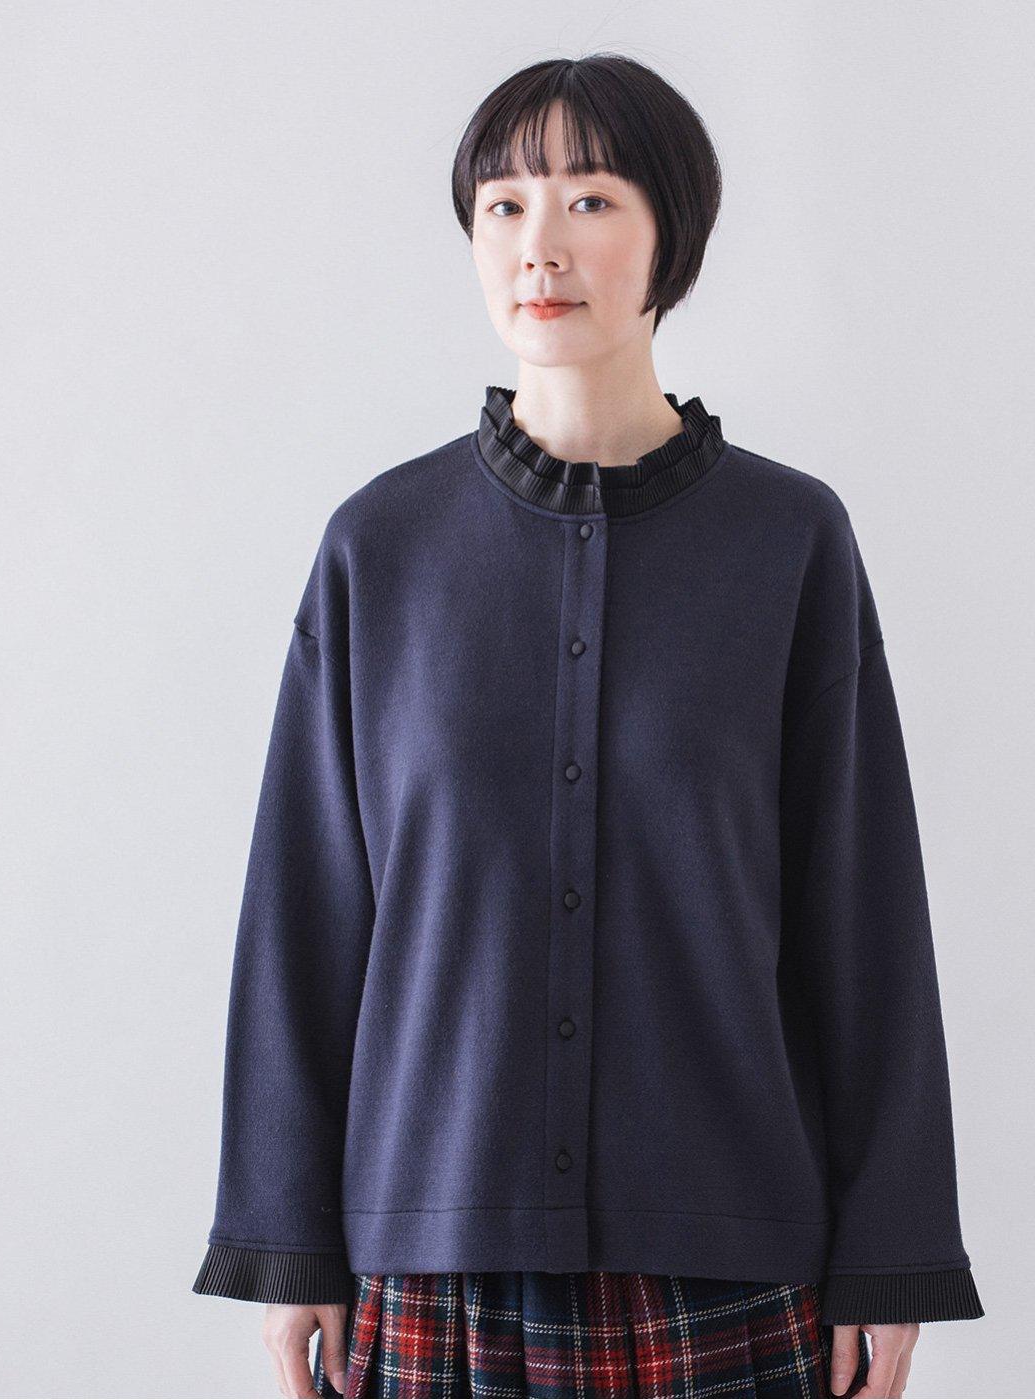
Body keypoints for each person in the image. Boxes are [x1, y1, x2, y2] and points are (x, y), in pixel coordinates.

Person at [192, 53, 983, 1399]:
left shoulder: (790, 541)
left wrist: (889, 1256)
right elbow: (305, 916)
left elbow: (863, 920)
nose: (539, 246)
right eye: (503, 206)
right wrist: (286, 1239)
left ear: (672, 235)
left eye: (592, 200)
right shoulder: (380, 548)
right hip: (434, 1265)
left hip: (733, 1259)